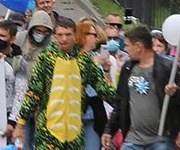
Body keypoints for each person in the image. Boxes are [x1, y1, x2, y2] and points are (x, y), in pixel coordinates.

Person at [13, 17, 115, 150]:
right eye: (60, 35)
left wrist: (126, 104)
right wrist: (20, 125)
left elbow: (104, 88)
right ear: (55, 36)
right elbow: (33, 93)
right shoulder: (46, 59)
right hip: (48, 134)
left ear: (75, 36)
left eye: (68, 35)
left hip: (74, 135)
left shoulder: (85, 61)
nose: (64, 39)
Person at [103, 25, 180, 150]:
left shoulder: (167, 67)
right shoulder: (128, 68)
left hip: (161, 140)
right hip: (132, 140)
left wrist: (176, 92)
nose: (125, 49)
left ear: (139, 46)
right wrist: (109, 130)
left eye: (127, 45)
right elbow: (120, 102)